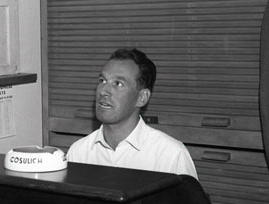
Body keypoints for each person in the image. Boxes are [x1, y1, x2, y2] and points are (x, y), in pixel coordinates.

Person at [67, 48, 197, 178]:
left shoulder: (171, 156)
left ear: (142, 98)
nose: (103, 91)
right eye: (102, 80)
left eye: (118, 83)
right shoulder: (78, 153)